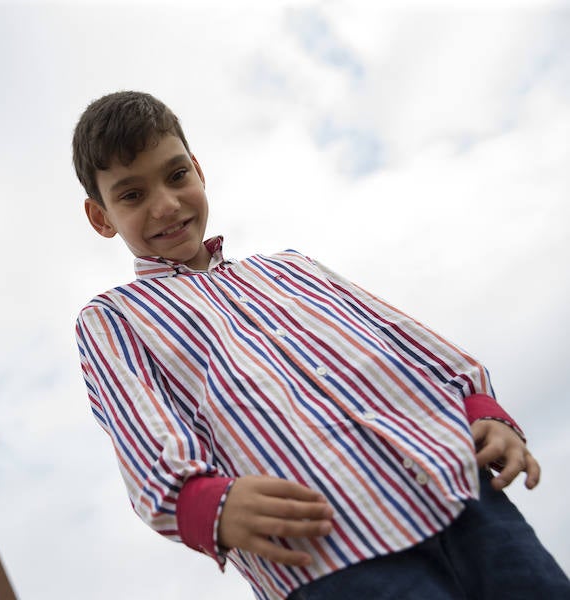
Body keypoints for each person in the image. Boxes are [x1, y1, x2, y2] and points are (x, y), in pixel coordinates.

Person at [72, 91, 569, 599]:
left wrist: (481, 407)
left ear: (197, 169)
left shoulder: (291, 267)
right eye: (132, 195)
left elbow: (406, 338)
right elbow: (143, 429)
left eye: (177, 175)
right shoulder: (113, 319)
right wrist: (203, 502)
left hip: (459, 491)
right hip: (329, 553)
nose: (166, 204)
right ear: (101, 216)